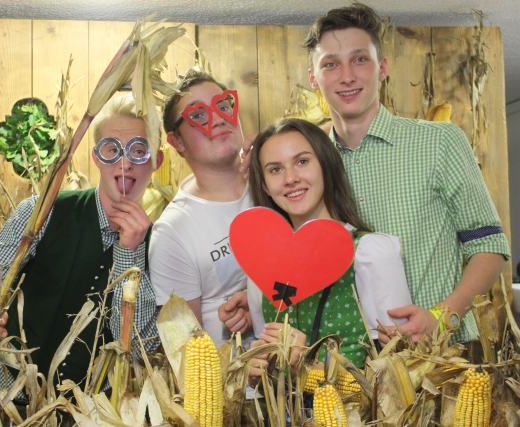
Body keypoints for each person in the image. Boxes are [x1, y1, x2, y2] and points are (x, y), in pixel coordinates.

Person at [240, 3, 509, 347]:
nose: (347, 76)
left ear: (382, 68)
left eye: (360, 59)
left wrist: (442, 316)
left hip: (442, 354)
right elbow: (300, 253)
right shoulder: (309, 163)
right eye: (331, 64)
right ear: (313, 78)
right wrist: (262, 296)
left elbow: (489, 245)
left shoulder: (439, 141)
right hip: (350, 362)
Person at [0, 94, 163, 387]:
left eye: (138, 151)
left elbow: (137, 350)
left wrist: (130, 253)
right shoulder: (41, 213)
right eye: (112, 149)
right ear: (96, 157)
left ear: (157, 161)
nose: (124, 163)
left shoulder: (161, 246)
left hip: (98, 408)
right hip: (13, 398)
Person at [246, 118, 411, 381]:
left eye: (302, 161)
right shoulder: (261, 266)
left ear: (325, 165)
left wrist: (308, 368)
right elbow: (268, 362)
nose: (291, 178)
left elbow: (401, 377)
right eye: (275, 169)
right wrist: (259, 373)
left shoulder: (370, 253)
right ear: (264, 185)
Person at [149, 69, 253, 349]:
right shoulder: (172, 231)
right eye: (198, 115)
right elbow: (183, 349)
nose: (218, 119)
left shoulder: (276, 185)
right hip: (232, 375)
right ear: (177, 142)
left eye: (223, 106)